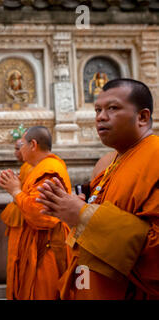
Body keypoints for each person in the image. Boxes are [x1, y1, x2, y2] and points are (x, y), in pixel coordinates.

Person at [37, 78, 159, 299]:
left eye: (112, 108)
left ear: (142, 117)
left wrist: (83, 215)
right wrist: (72, 211)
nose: (101, 117)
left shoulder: (155, 158)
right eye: (97, 110)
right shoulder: (113, 161)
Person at [0, 126, 72, 300]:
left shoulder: (48, 170)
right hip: (34, 248)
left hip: (44, 252)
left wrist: (16, 191)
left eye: (22, 145)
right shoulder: (38, 167)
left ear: (33, 145)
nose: (19, 149)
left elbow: (40, 216)